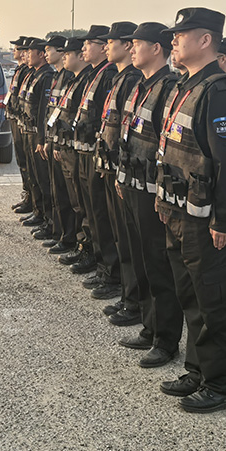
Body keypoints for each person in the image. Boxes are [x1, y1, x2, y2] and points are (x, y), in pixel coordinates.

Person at [156, 8, 226, 413]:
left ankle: (221, 386)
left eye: (181, 34)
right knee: (190, 297)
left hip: (206, 220)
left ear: (206, 40)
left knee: (213, 302)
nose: (173, 41)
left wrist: (224, 219)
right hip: (179, 211)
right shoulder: (185, 86)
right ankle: (198, 370)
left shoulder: (218, 90)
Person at [114, 22, 183, 367]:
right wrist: (121, 175)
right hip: (131, 183)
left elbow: (166, 144)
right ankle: (149, 325)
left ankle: (166, 339)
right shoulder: (139, 85)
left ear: (157, 48)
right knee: (140, 258)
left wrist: (161, 193)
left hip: (153, 191)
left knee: (159, 264)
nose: (132, 49)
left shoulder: (168, 87)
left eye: (137, 43)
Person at [92, 23, 143, 308]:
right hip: (112, 164)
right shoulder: (120, 78)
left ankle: (132, 296)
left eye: (111, 42)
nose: (106, 47)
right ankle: (125, 290)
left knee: (127, 236)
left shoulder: (132, 79)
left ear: (126, 45)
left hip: (123, 168)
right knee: (118, 232)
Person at [72, 26, 120, 291]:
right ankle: (100, 264)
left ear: (103, 47)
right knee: (90, 210)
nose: (83, 49)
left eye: (88, 44)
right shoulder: (94, 75)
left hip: (96, 153)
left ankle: (110, 271)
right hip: (86, 150)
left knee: (100, 214)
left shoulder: (109, 75)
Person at [54, 38, 96, 273]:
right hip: (72, 146)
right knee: (77, 202)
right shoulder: (77, 80)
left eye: (68, 53)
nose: (64, 57)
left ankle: (91, 253)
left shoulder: (96, 78)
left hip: (83, 150)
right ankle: (81, 245)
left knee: (88, 208)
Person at [41, 36, 79, 256]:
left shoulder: (71, 77)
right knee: (57, 191)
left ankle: (70, 238)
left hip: (69, 145)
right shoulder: (59, 76)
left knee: (71, 198)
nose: (63, 57)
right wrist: (49, 139)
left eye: (67, 53)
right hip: (56, 139)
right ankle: (59, 231)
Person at [19, 38, 55, 239]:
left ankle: (48, 219)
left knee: (43, 178)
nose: (26, 55)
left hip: (37, 133)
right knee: (34, 175)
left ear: (40, 55)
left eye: (30, 52)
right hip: (28, 130)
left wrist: (42, 139)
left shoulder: (46, 76)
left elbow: (43, 112)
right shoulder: (34, 74)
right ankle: (38, 211)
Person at [7, 38, 34, 214]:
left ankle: (32, 199)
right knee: (22, 160)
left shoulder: (28, 72)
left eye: (19, 49)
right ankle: (28, 196)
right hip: (16, 118)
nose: (17, 52)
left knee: (28, 162)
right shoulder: (20, 71)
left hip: (25, 122)